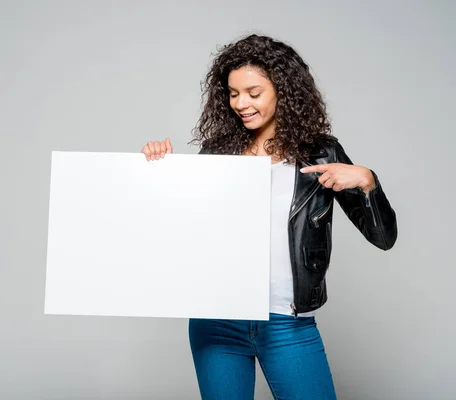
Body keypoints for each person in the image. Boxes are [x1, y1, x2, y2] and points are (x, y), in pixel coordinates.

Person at [140, 34, 398, 399]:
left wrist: (367, 181)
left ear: (283, 89)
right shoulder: (217, 153)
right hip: (216, 321)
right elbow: (178, 230)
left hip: (287, 325)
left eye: (253, 92)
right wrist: (158, 170)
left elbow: (384, 238)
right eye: (232, 93)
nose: (241, 103)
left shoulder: (321, 153)